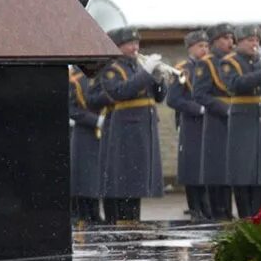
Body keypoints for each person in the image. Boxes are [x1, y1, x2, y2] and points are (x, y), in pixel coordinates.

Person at [87, 27, 171, 223]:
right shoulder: (111, 68)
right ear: (118, 46)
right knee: (125, 179)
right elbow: (121, 91)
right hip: (125, 130)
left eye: (137, 43)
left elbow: (158, 97)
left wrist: (159, 80)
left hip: (144, 129)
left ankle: (134, 222)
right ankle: (122, 223)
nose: (135, 47)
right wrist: (146, 73)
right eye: (130, 43)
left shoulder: (139, 67)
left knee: (137, 182)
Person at [213, 24, 261, 217]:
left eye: (257, 40)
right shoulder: (229, 62)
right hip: (243, 119)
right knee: (243, 169)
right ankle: (246, 216)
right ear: (239, 42)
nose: (255, 44)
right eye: (250, 40)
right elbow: (234, 84)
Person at [164, 29, 212, 218]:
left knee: (208, 164)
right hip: (192, 123)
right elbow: (173, 99)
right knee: (192, 165)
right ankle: (195, 206)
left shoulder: (210, 66)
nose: (205, 49)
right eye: (200, 46)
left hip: (209, 122)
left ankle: (207, 206)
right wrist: (197, 109)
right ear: (190, 47)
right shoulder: (183, 68)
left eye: (207, 45)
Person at [192, 24, 237, 219]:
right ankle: (218, 211)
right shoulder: (207, 63)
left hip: (236, 119)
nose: (230, 42)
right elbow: (200, 94)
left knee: (231, 167)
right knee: (217, 168)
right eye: (225, 38)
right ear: (215, 41)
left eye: (231, 38)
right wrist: (224, 109)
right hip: (217, 120)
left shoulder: (234, 61)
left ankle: (227, 210)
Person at [67, 64, 106, 223]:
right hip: (84, 131)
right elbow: (72, 108)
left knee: (97, 176)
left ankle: (95, 213)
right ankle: (84, 214)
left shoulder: (104, 73)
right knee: (84, 176)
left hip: (103, 132)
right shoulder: (74, 78)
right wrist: (96, 120)